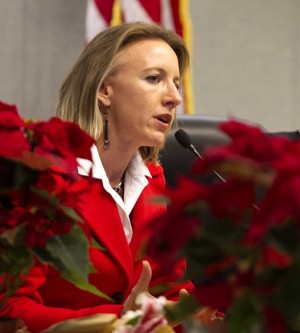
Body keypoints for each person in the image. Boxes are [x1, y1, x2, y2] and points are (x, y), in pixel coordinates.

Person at [0, 22, 196, 332]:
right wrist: (119, 319)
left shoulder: (152, 182)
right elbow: (10, 311)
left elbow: (169, 292)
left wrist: (197, 315)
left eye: (176, 82)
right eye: (154, 79)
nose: (174, 98)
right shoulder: (42, 178)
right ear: (104, 91)